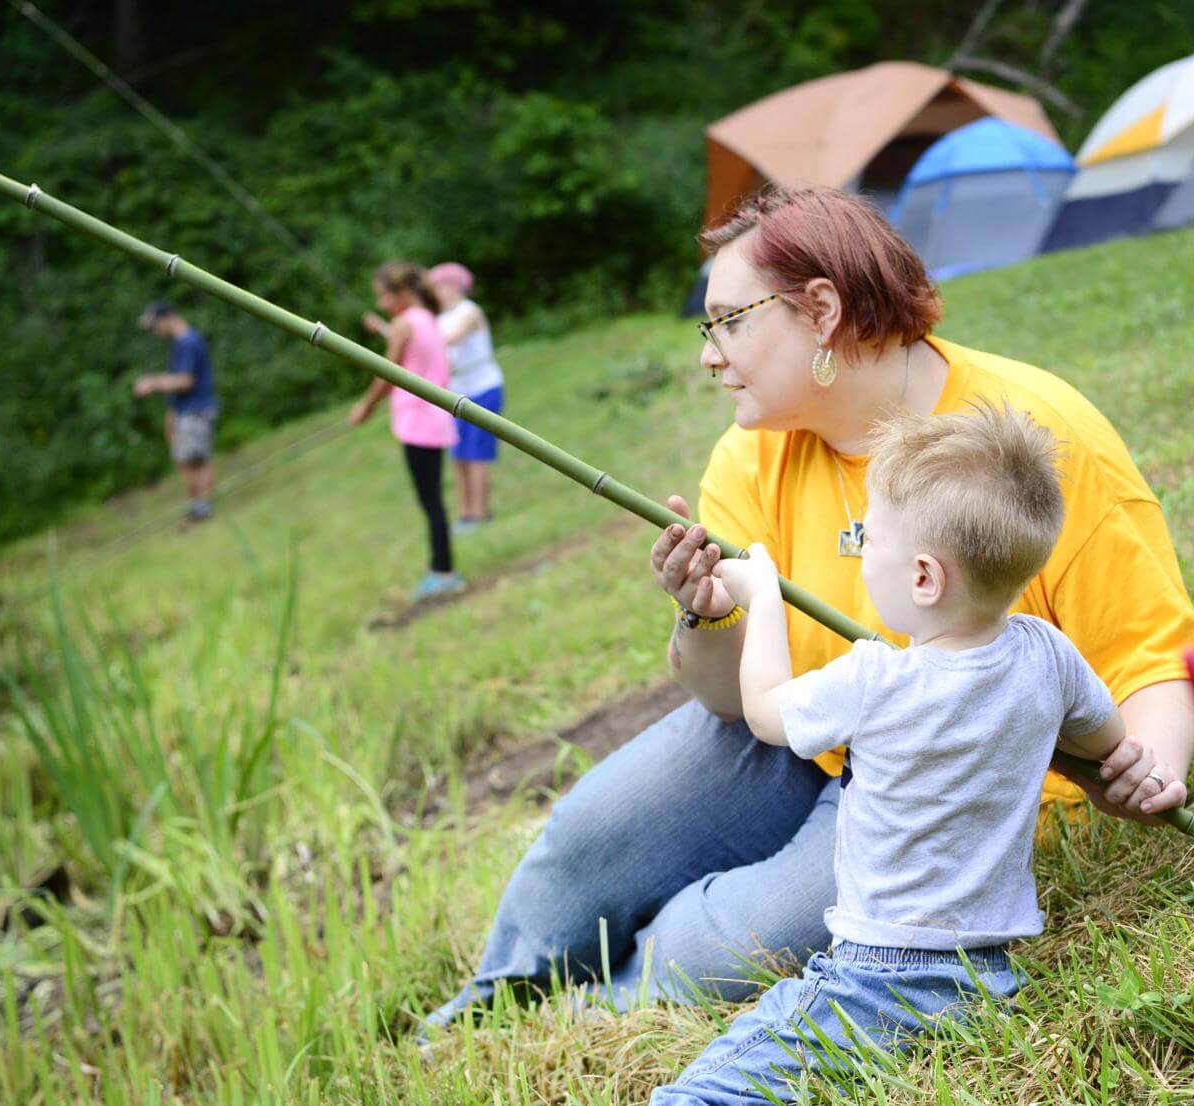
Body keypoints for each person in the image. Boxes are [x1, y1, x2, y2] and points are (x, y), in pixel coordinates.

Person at [425, 186, 1194, 1036]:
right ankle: (481, 1011)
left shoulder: (1037, 440)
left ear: (821, 309)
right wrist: (707, 615)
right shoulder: (753, 451)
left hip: (946, 787)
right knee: (587, 838)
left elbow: (1150, 663)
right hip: (803, 729)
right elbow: (731, 703)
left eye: (728, 322)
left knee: (703, 951)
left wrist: (1147, 770)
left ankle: (604, 1001)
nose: (709, 355)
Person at [648, 402, 1186, 1104]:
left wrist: (762, 594)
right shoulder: (1048, 656)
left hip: (878, 971)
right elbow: (1103, 741)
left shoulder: (877, 680)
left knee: (702, 1090)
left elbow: (765, 711)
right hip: (986, 969)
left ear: (925, 578)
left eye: (868, 541)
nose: (862, 554)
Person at [350, 262, 465, 601]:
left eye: (384, 297)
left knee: (430, 501)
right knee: (433, 500)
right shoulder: (426, 318)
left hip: (417, 422)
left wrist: (365, 408)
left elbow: (385, 374)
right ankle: (442, 570)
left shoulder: (404, 324)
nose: (381, 304)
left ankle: (443, 572)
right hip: (436, 418)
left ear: (402, 293)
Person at [429, 262, 505, 534]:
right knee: (459, 456)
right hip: (454, 396)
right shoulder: (437, 318)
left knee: (477, 454)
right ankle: (465, 514)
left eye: (438, 286)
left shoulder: (469, 311)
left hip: (483, 388)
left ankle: (481, 515)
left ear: (453, 286)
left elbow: (453, 338)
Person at [133, 301, 217, 524]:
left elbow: (186, 381)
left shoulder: (188, 342)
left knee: (195, 461)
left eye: (155, 326)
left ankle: (202, 509)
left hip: (195, 411)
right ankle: (198, 507)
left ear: (167, 318)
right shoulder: (182, 343)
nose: (155, 331)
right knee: (188, 459)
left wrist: (152, 383)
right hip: (186, 411)